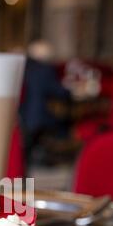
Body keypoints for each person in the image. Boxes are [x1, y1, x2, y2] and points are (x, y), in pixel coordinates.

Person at [19, 40, 71, 169]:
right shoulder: (45, 70)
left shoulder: (24, 68)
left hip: (22, 115)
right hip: (39, 117)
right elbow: (59, 92)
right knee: (64, 121)